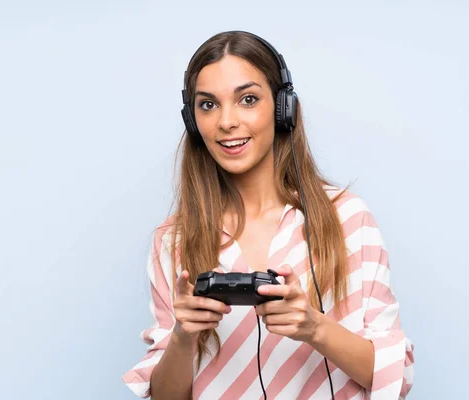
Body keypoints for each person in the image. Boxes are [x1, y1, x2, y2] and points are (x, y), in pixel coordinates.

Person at [122, 30, 414, 399]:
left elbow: (395, 377)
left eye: (247, 99)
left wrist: (314, 328)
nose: (227, 121)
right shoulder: (173, 240)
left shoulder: (348, 220)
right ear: (193, 120)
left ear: (283, 109)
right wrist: (183, 336)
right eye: (208, 105)